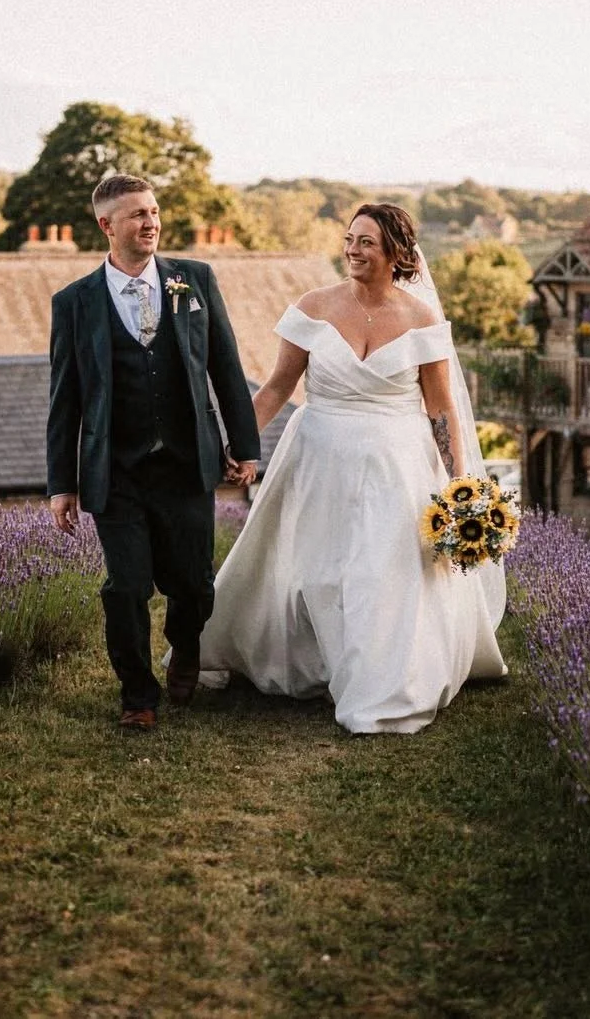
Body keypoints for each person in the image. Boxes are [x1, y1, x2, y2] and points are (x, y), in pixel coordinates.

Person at [196, 203, 507, 734]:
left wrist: (459, 483)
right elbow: (275, 387)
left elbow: (440, 409)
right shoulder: (313, 308)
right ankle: (316, 660)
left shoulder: (421, 318)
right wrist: (236, 444)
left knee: (380, 573)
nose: (353, 250)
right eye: (349, 239)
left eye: (366, 242)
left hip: (398, 464)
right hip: (319, 457)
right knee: (317, 569)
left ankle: (380, 684)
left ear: (395, 254)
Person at [46, 174, 261, 731]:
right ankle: (138, 695)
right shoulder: (74, 303)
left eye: (154, 211)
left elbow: (226, 368)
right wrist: (60, 484)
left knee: (193, 583)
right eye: (137, 214)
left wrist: (245, 447)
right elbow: (63, 399)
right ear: (106, 226)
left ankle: (186, 647)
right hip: (115, 472)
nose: (151, 222)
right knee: (127, 587)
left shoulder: (195, 281)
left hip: (187, 464)